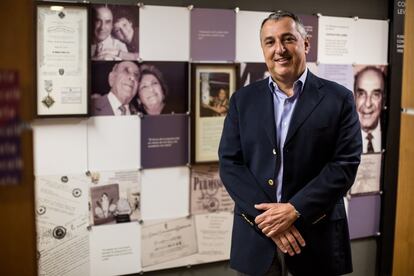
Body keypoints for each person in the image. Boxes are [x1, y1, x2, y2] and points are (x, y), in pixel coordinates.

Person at [218, 11, 362, 276]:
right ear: (263, 48)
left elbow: (344, 165)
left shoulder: (339, 99)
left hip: (317, 237)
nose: (279, 50)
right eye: (270, 42)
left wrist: (295, 210)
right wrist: (272, 221)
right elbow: (230, 164)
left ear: (305, 43)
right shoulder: (243, 100)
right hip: (257, 237)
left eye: (287, 39)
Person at [354, 66, 385, 153]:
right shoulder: (338, 137)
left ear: (383, 100)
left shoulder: (395, 134)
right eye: (361, 94)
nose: (368, 104)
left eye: (375, 94)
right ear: (354, 98)